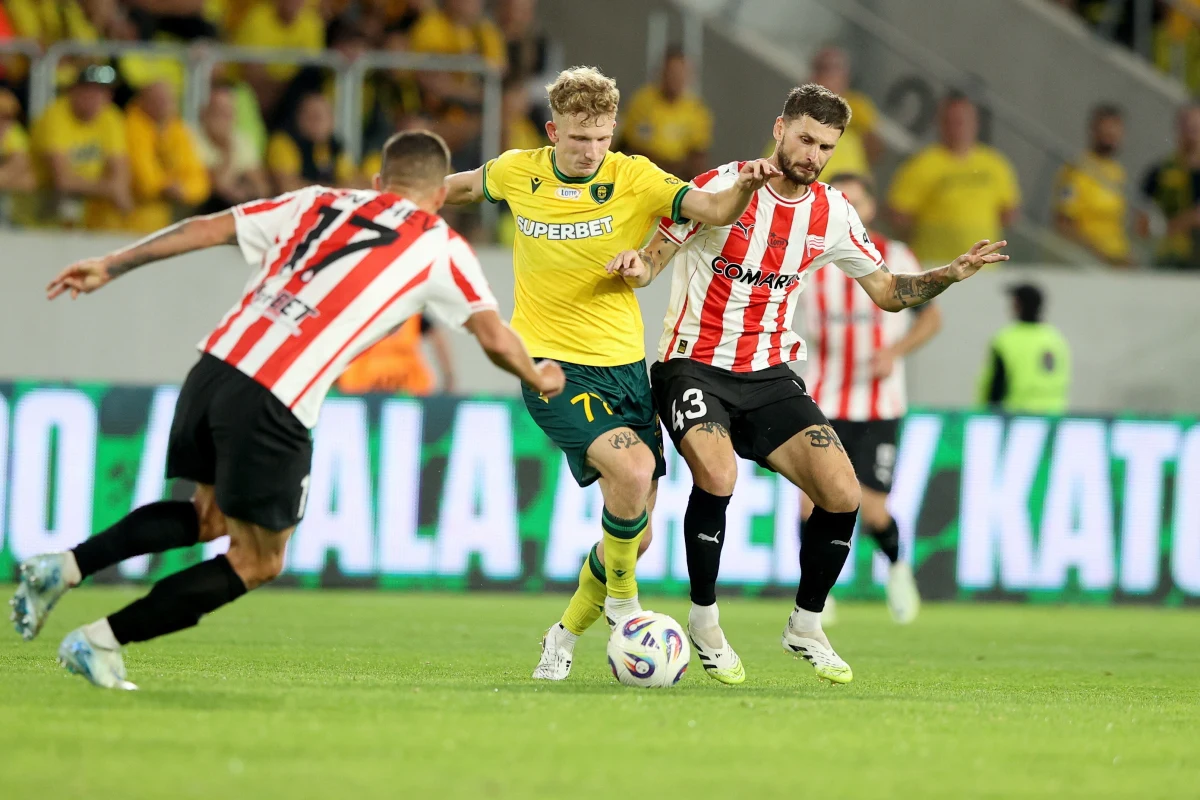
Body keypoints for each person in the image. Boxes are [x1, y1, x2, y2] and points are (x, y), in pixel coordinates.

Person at [9, 130, 565, 690]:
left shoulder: (318, 200)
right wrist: (538, 375)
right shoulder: (440, 245)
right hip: (276, 394)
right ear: (439, 196)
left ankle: (64, 567)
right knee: (259, 560)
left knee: (209, 517)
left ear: (377, 183)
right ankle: (100, 641)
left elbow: (209, 227)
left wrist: (113, 264)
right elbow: (493, 337)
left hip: (215, 366)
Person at [604, 84, 1008, 685]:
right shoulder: (721, 186)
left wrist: (951, 272)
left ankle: (805, 625)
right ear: (779, 129)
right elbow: (653, 261)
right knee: (718, 473)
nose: (814, 155)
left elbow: (889, 294)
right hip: (691, 362)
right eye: (805, 139)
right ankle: (705, 620)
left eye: (826, 146)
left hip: (767, 372)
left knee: (842, 492)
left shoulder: (833, 213)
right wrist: (635, 266)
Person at [443, 65, 780, 681]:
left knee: (635, 534)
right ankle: (626, 606)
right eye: (578, 139)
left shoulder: (635, 176)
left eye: (600, 138)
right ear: (553, 131)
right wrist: (397, 201)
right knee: (633, 468)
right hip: (552, 366)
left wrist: (747, 186)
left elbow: (711, 209)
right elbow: (459, 189)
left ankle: (564, 635)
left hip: (624, 368)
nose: (590, 151)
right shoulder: (519, 170)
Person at [799, 172, 940, 626]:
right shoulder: (809, 256)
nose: (848, 210)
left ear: (870, 208)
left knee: (873, 508)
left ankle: (898, 569)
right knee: (810, 503)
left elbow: (931, 319)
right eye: (841, 201)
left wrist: (894, 352)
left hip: (879, 404)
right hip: (822, 399)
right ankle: (818, 593)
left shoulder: (895, 256)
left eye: (855, 202)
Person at [888, 92, 1020, 266]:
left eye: (962, 121)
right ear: (940, 123)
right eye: (951, 121)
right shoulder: (921, 164)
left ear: (976, 123)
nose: (957, 127)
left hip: (983, 270)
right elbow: (899, 215)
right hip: (936, 268)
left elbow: (1008, 212)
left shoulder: (994, 164)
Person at [619, 45, 713, 180]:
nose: (676, 79)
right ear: (662, 73)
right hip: (642, 176)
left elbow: (698, 156)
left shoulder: (697, 110)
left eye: (681, 73)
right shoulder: (642, 102)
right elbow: (629, 145)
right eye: (672, 72)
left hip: (679, 179)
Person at [1054, 104, 1131, 266]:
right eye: (1106, 132)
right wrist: (1098, 257)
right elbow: (1064, 223)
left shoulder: (1117, 171)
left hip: (1116, 258)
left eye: (1115, 132)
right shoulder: (1078, 169)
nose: (1111, 137)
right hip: (1089, 261)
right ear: (1094, 131)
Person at [977, 284, 1071, 414]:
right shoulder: (1056, 339)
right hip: (1053, 418)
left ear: (1017, 305)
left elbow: (996, 386)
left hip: (1016, 419)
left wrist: (987, 415)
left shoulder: (1006, 339)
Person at [1138, 104, 1200, 270]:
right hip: (1170, 262)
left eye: (1196, 127)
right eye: (1188, 127)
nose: (1192, 134)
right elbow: (1142, 229)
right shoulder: (1159, 174)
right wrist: (1188, 220)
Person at [336, 313, 457, 396]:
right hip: (363, 389)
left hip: (409, 390)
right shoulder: (357, 314)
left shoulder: (412, 314)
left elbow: (436, 336)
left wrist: (448, 376)